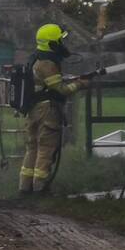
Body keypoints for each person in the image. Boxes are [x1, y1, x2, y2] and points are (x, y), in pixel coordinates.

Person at [20, 24, 86, 195]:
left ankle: (25, 187)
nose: (63, 43)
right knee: (46, 148)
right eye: (60, 40)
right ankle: (40, 188)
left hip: (33, 110)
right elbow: (61, 90)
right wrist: (80, 84)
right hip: (47, 111)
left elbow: (47, 84)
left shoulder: (35, 58)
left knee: (32, 148)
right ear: (53, 43)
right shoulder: (48, 63)